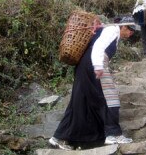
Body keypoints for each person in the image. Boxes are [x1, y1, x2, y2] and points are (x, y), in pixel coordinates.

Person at [49, 16, 135, 150]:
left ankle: (58, 138)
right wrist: (98, 67)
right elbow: (98, 47)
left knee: (80, 101)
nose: (131, 34)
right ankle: (113, 134)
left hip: (85, 67)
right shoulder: (112, 30)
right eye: (131, 30)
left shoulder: (111, 31)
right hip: (93, 66)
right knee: (110, 98)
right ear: (123, 26)